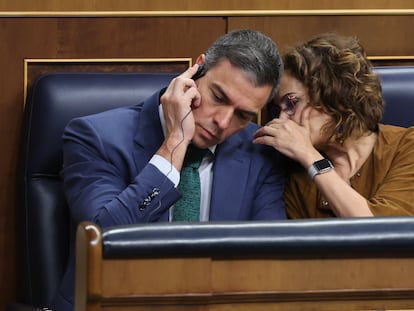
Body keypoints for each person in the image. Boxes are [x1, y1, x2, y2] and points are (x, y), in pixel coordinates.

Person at [51, 29, 287, 310]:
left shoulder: (259, 154)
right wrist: (175, 143)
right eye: (219, 97)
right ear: (196, 71)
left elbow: (271, 262)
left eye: (243, 115)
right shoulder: (95, 137)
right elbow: (104, 243)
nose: (223, 122)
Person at [253, 32, 414, 218]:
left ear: (333, 96)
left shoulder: (406, 146)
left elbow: (385, 235)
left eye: (291, 103)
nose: (282, 119)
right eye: (278, 109)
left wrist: (311, 158)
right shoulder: (294, 175)